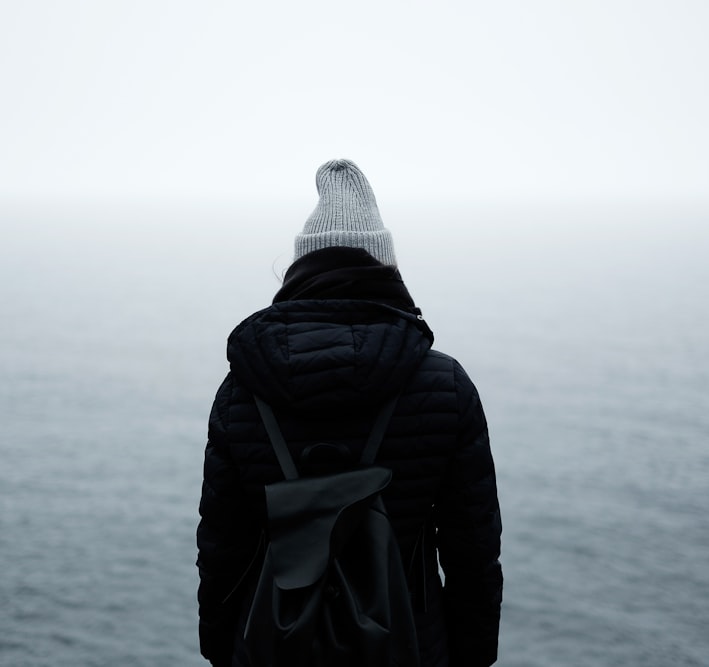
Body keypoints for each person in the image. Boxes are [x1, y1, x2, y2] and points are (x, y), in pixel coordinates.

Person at [197, 159, 503, 667]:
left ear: (300, 268)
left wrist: (222, 651)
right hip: (409, 648)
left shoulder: (241, 392)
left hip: (275, 647)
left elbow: (221, 550)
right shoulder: (445, 386)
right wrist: (469, 656)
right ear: (386, 267)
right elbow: (473, 554)